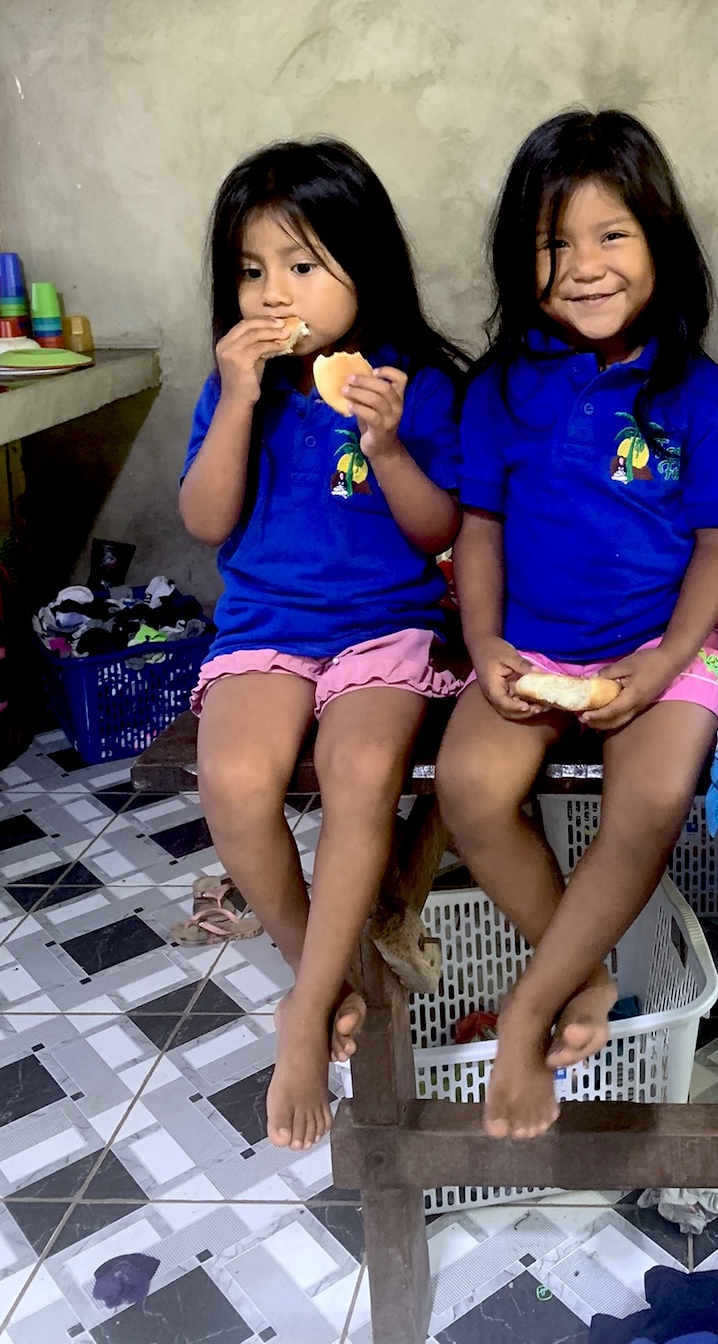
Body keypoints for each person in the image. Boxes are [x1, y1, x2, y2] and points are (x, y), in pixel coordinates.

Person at [436, 109, 718, 1139]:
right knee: (469, 789)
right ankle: (584, 977)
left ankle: (534, 999)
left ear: (660, 241)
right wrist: (485, 645)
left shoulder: (700, 396)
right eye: (551, 241)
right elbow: (477, 528)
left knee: (651, 794)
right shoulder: (498, 391)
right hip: (532, 645)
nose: (582, 264)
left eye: (610, 234)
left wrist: (665, 663)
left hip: (670, 645)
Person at [180, 138, 465, 1152]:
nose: (272, 293)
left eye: (301, 266)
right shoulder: (239, 393)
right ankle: (323, 983)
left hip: (387, 628)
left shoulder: (415, 385)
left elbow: (439, 532)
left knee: (357, 769)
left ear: (364, 266)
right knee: (236, 783)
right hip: (265, 627)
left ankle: (300, 1018)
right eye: (251, 271)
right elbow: (208, 522)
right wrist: (240, 399)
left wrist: (385, 445)